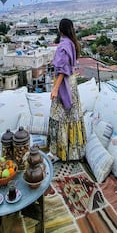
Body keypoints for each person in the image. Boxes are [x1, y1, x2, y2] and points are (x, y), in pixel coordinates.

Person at [47, 18, 86, 162]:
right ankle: (73, 152)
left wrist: (55, 88)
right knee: (73, 115)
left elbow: (62, 69)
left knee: (59, 116)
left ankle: (59, 152)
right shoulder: (72, 43)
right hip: (72, 83)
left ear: (60, 29)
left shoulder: (64, 45)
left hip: (63, 84)